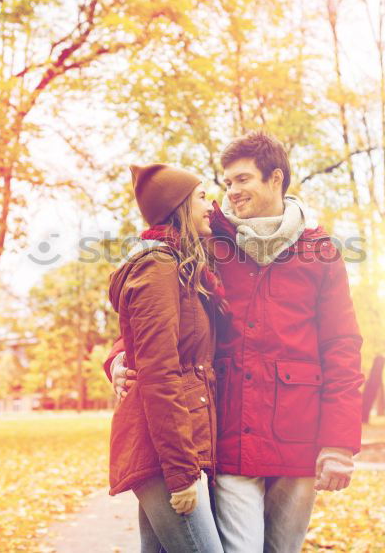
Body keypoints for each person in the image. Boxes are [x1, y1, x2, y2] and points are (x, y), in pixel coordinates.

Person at [107, 132, 364, 553]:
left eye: (242, 180)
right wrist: (119, 357)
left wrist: (338, 443)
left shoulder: (321, 251)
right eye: (226, 183)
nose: (231, 193)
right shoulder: (209, 241)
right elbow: (153, 315)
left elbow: (342, 347)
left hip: (299, 433)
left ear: (275, 178)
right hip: (230, 436)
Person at [107, 163, 226, 553]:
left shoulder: (182, 267)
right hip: (163, 454)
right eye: (201, 197)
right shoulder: (158, 267)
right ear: (178, 208)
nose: (211, 205)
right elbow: (160, 372)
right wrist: (180, 473)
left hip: (176, 446)